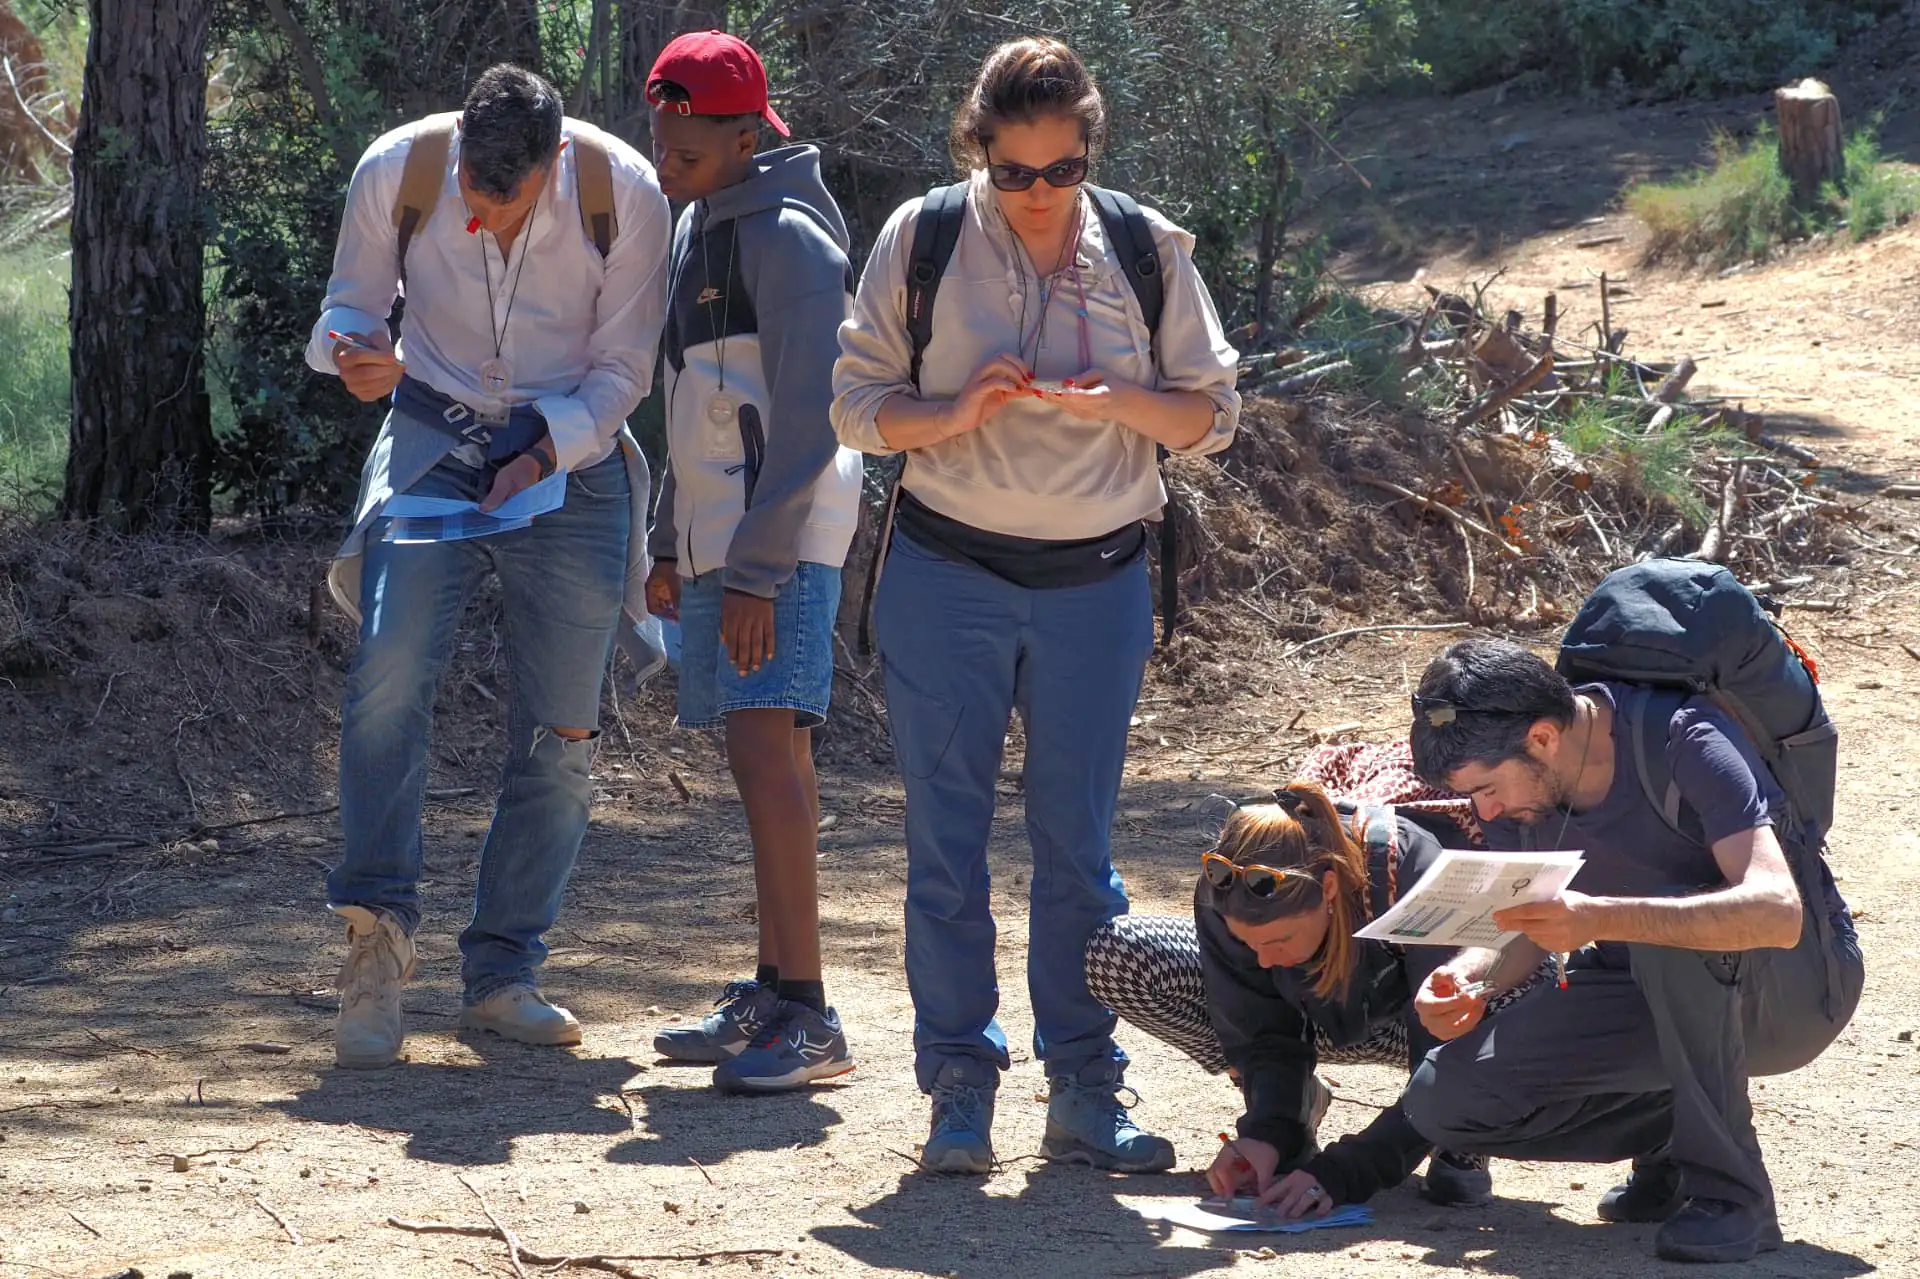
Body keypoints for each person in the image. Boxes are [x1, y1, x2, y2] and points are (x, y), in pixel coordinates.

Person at [830, 36, 1241, 1172]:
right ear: (979, 154)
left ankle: (1084, 1088)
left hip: (1095, 583)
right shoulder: (924, 237)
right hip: (945, 575)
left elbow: (1214, 418)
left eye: (1061, 171)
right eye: (1014, 174)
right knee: (945, 849)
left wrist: (1130, 401)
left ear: (1088, 153)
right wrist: (952, 410)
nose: (1039, 197)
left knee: (1078, 851)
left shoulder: (1148, 247)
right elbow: (858, 410)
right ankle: (959, 1085)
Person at [308, 64, 671, 1068]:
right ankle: (374, 951)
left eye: (502, 202)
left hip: (571, 455)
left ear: (555, 165)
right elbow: (349, 302)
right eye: (472, 189)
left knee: (562, 723)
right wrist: (356, 350)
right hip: (429, 433)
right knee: (387, 681)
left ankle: (505, 970)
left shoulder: (625, 194)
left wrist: (542, 452)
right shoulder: (404, 169)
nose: (481, 213)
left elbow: (623, 373)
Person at [1402, 638, 1863, 1263]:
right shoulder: (1524, 790)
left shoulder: (1682, 739)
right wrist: (1471, 976)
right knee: (1445, 1101)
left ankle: (1735, 1201)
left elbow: (1777, 912)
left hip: (1793, 990)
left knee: (1665, 932)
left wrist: (1599, 915)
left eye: (1487, 788)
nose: (1485, 810)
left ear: (1541, 737)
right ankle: (1673, 1146)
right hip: (1646, 987)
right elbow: (1526, 924)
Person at [637, 31, 863, 1093]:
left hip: (782, 540)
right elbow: (696, 405)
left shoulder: (790, 243)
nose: (668, 168)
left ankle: (810, 1015)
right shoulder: (701, 229)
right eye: (662, 146)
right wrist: (672, 542)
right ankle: (773, 990)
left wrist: (763, 569)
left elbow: (816, 422)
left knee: (774, 760)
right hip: (723, 539)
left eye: (687, 153)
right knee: (751, 755)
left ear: (744, 136)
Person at [1086, 778, 1540, 1215]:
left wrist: (1348, 1171)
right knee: (1119, 950)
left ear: (1327, 890)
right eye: (1249, 942)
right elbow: (1260, 1030)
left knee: (1517, 983)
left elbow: (1445, 1051)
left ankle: (1460, 1133)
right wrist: (1269, 1131)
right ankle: (1294, 1105)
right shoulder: (1226, 888)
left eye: (1279, 940)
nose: (1264, 961)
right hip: (1320, 1015)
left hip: (1417, 1021)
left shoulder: (1411, 872)